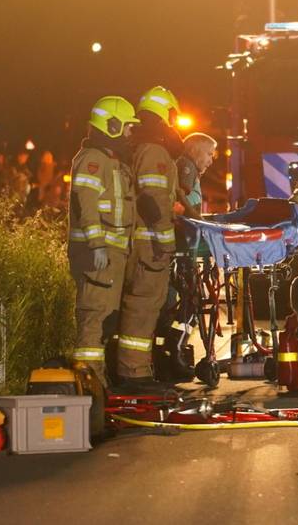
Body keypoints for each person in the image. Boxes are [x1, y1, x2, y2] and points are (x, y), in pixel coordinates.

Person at [68, 96, 139, 390]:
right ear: (111, 125)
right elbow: (86, 204)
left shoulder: (110, 160)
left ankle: (98, 384)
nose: (129, 134)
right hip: (97, 254)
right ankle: (90, 386)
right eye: (126, 127)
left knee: (106, 320)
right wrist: (97, 244)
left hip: (111, 254)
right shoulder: (93, 160)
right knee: (93, 318)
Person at [117, 85, 183, 394]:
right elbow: (153, 199)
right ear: (165, 114)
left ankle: (135, 369)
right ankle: (134, 373)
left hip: (139, 243)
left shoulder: (139, 147)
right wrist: (166, 242)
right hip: (150, 246)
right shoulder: (155, 151)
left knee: (140, 306)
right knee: (143, 306)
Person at [175, 132, 217, 219]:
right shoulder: (188, 165)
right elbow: (181, 195)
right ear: (193, 151)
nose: (211, 161)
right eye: (209, 154)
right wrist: (197, 218)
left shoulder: (190, 167)